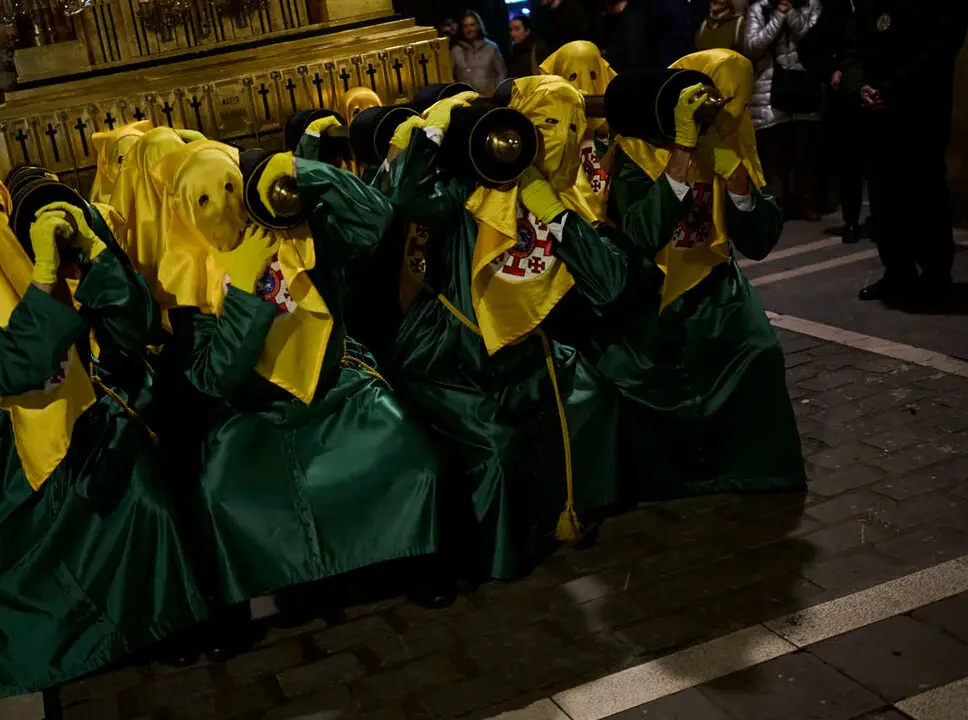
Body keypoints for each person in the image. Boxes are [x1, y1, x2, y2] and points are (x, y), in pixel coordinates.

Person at [0, 168, 209, 697]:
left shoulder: (46, 253)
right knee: (10, 567)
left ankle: (162, 626)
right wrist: (43, 280)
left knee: (146, 503)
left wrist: (96, 250)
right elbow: (16, 366)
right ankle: (60, 648)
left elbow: (136, 325)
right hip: (16, 449)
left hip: (91, 415)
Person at [148, 137, 449, 612]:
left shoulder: (295, 230)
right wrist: (244, 295)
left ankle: (414, 562)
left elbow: (376, 220)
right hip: (254, 413)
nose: (223, 211)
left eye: (231, 190)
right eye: (202, 201)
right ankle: (295, 586)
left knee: (412, 459)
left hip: (338, 389)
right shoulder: (188, 279)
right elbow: (214, 377)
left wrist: (301, 171)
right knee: (223, 494)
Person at [384, 78, 630, 581]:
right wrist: (432, 129)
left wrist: (557, 215)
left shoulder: (564, 197)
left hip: (524, 351)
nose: (555, 138)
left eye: (569, 125)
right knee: (496, 446)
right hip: (451, 354)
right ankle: (499, 556)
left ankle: (566, 510)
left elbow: (608, 284)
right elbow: (407, 198)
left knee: (591, 395)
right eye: (542, 123)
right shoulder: (468, 191)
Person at [599, 48, 806, 505]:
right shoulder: (630, 151)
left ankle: (753, 470)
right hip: (651, 289)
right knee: (635, 371)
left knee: (759, 350)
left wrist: (735, 179)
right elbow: (641, 232)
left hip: (715, 282)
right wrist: (682, 153)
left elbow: (759, 240)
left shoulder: (732, 138)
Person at [842, 0, 968, 303]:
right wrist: (858, 85)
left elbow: (941, 47)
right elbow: (850, 50)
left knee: (924, 196)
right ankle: (897, 272)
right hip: (875, 116)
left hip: (920, 113)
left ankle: (935, 276)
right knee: (884, 200)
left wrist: (893, 89)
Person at [744, 0, 825, 222]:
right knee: (774, 150)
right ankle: (780, 203)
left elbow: (812, 38)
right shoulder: (759, 9)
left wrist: (791, 13)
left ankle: (806, 200)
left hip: (804, 85)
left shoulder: (811, 5)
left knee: (805, 149)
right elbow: (752, 46)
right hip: (769, 88)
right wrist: (778, 16)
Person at [800, 0, 865, 244]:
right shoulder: (840, 7)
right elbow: (809, 47)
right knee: (851, 165)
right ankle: (851, 221)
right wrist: (831, 73)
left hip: (882, 89)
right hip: (849, 98)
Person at [540, 40, 618, 195]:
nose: (585, 86)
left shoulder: (620, 124)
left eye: (593, 75)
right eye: (573, 76)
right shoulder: (543, 127)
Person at [451, 11, 508, 94]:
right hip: (466, 100)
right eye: (465, 26)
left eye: (472, 25)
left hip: (490, 99)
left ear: (478, 26)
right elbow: (451, 78)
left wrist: (496, 93)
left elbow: (502, 74)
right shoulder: (456, 50)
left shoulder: (491, 48)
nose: (469, 29)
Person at [648, 0, 712, 67]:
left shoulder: (703, 4)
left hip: (692, 58)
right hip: (665, 59)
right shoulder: (662, 4)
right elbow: (652, 30)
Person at [595, 0, 653, 73]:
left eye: (605, 9)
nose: (603, 14)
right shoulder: (632, 16)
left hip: (628, 74)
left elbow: (633, 57)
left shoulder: (632, 20)